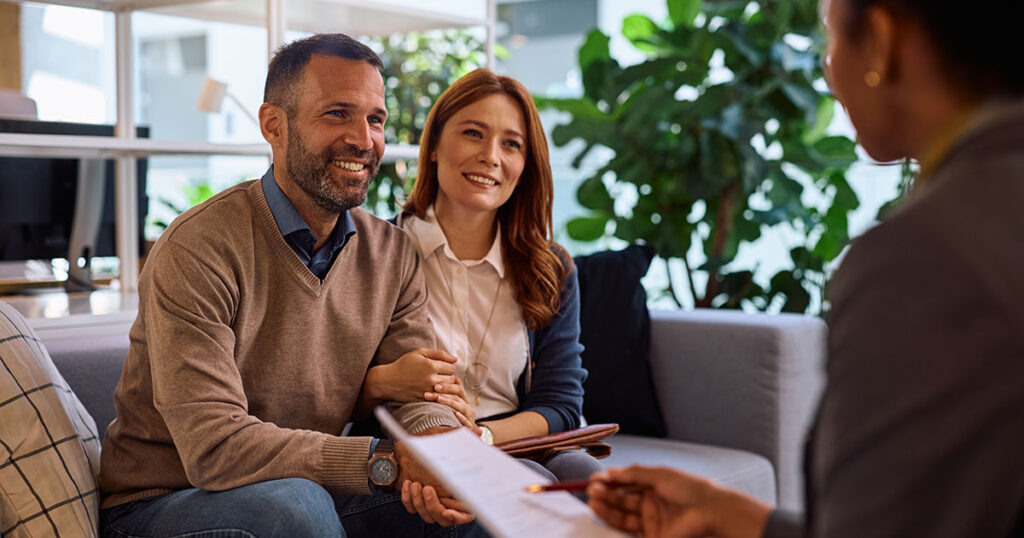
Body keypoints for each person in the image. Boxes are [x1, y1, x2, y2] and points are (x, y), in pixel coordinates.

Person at [587, 0, 1024, 536]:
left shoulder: (922, 255)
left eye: (829, 39)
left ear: (882, 42)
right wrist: (739, 517)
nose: (827, 68)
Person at [98, 33, 483, 537]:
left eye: (375, 119)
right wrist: (386, 461)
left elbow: (416, 398)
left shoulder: (392, 252)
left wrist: (442, 448)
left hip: (304, 490)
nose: (364, 140)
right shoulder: (198, 248)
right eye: (336, 114)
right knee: (295, 507)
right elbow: (214, 449)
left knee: (487, 500)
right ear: (273, 126)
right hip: (164, 502)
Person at [357, 68, 603, 485]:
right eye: (473, 133)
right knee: (526, 484)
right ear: (433, 145)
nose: (491, 155)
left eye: (511, 144)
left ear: (525, 165)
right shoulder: (375, 252)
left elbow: (561, 404)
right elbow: (330, 397)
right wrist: (385, 381)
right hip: (415, 453)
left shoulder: (551, 267)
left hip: (511, 442)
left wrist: (482, 436)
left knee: (589, 477)